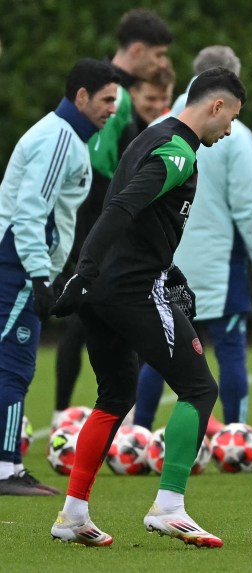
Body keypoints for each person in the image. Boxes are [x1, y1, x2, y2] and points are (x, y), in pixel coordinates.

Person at [48, 67, 246, 547]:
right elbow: (121, 209)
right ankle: (170, 507)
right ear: (215, 106)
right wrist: (86, 269)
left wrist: (158, 271)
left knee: (115, 397)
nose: (231, 130)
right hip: (130, 289)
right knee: (200, 388)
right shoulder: (179, 153)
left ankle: (72, 515)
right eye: (233, 118)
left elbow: (136, 219)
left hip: (106, 291)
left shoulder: (152, 135)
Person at [134, 47, 252, 433]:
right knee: (230, 348)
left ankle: (138, 434)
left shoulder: (161, 125)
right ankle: (237, 436)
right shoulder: (238, 138)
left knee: (159, 347)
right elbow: (248, 209)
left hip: (165, 259)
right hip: (220, 265)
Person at [0, 59, 119, 496]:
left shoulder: (64, 137)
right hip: (15, 263)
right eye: (106, 100)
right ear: (81, 97)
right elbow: (31, 214)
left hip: (18, 262)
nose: (112, 110)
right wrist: (37, 276)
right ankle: (6, 468)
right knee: (13, 364)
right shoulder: (59, 140)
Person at [53, 8, 173, 427]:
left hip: (94, 214)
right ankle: (74, 416)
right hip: (93, 216)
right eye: (157, 55)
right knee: (88, 311)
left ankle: (73, 415)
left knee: (87, 316)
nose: (161, 64)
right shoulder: (114, 92)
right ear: (137, 50)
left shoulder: (108, 85)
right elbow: (102, 166)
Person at [129, 65, 177, 130]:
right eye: (151, 99)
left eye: (164, 99)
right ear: (133, 93)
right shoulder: (119, 123)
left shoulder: (175, 124)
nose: (158, 106)